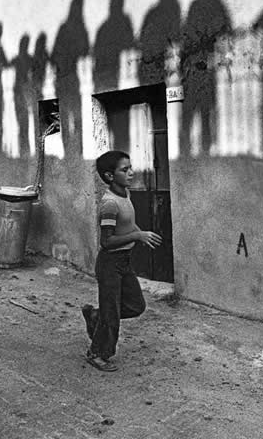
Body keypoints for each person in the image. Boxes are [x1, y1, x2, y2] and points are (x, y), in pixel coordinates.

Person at [81, 150, 162, 372]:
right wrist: (137, 236)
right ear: (109, 176)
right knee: (112, 315)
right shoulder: (109, 204)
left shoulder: (126, 195)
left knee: (137, 306)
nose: (131, 173)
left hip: (124, 262)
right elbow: (107, 241)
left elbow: (127, 226)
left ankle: (96, 315)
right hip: (110, 264)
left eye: (130, 168)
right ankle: (97, 353)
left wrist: (140, 233)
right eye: (124, 170)